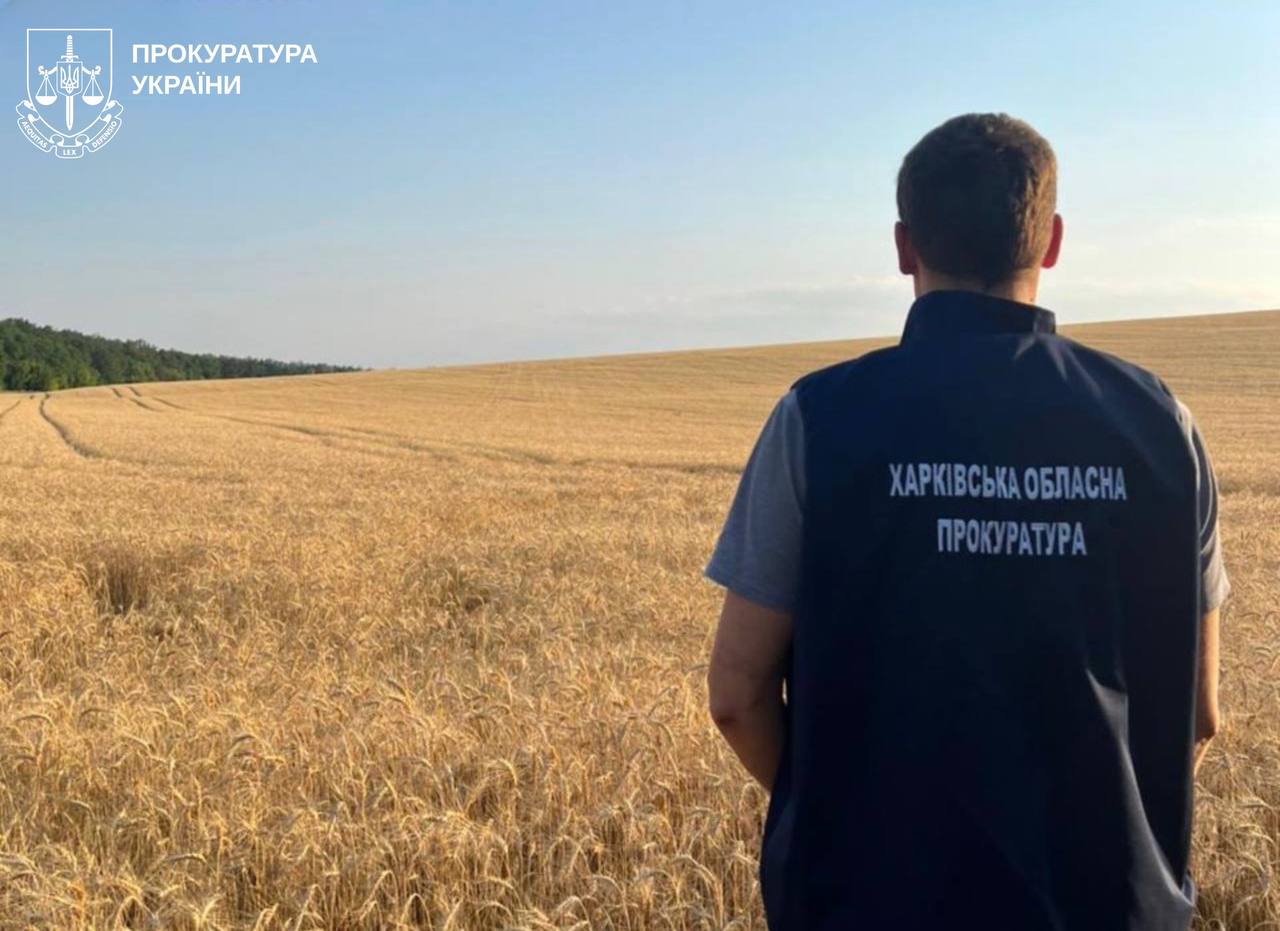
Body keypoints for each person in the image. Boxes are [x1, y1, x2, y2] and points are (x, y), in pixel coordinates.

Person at [703, 113, 1229, 930]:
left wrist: (850, 815)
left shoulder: (817, 418)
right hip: (1106, 903)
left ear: (904, 246)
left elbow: (737, 696)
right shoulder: (1164, 426)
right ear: (1051, 242)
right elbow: (1197, 713)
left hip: (872, 901)